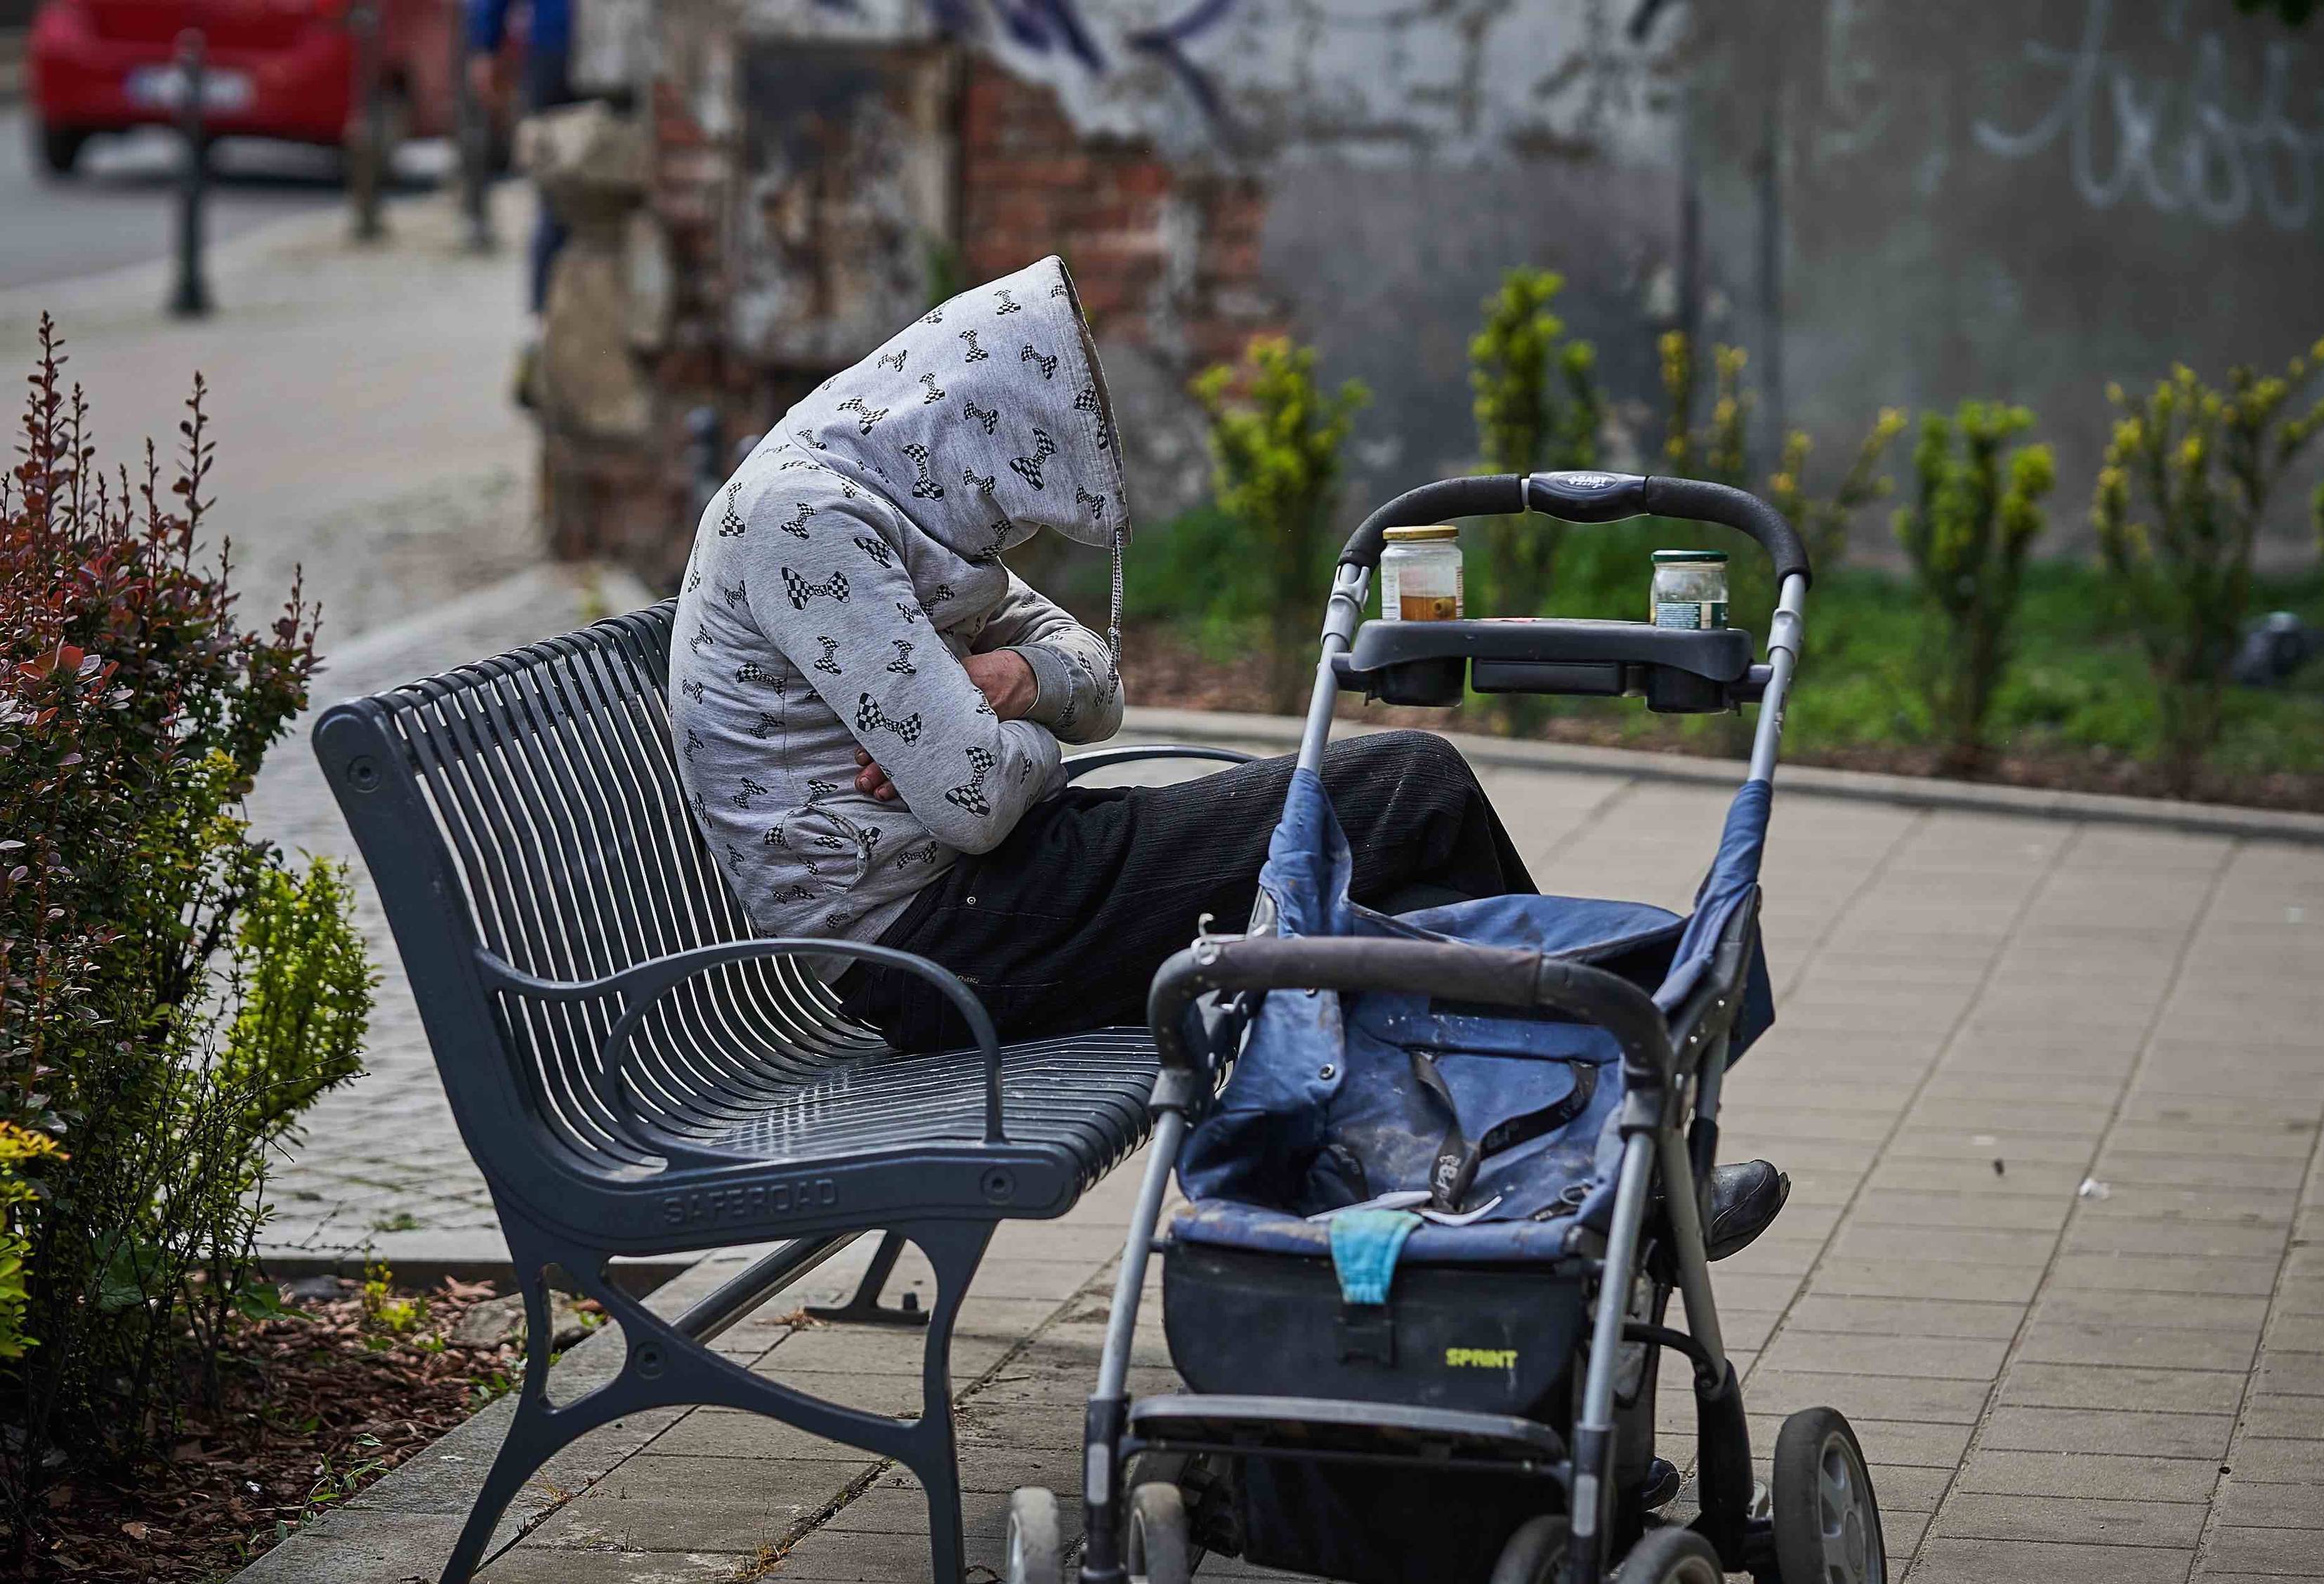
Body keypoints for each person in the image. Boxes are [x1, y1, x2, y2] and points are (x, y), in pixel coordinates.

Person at [668, 255, 1537, 1054]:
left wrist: (1015, 680)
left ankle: (1534, 1098)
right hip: (941, 946)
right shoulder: (808, 521)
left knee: (1403, 830)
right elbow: (978, 801)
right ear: (976, 427)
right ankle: (1591, 1081)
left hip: (993, 895)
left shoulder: (896, 505)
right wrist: (1014, 737)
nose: (1022, 525)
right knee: (1413, 792)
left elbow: (1101, 686)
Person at [466, 0, 573, 402]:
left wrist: (486, 44)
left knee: (556, 198)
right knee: (558, 195)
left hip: (558, 42)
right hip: (564, 42)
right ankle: (542, 335)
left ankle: (541, 333)